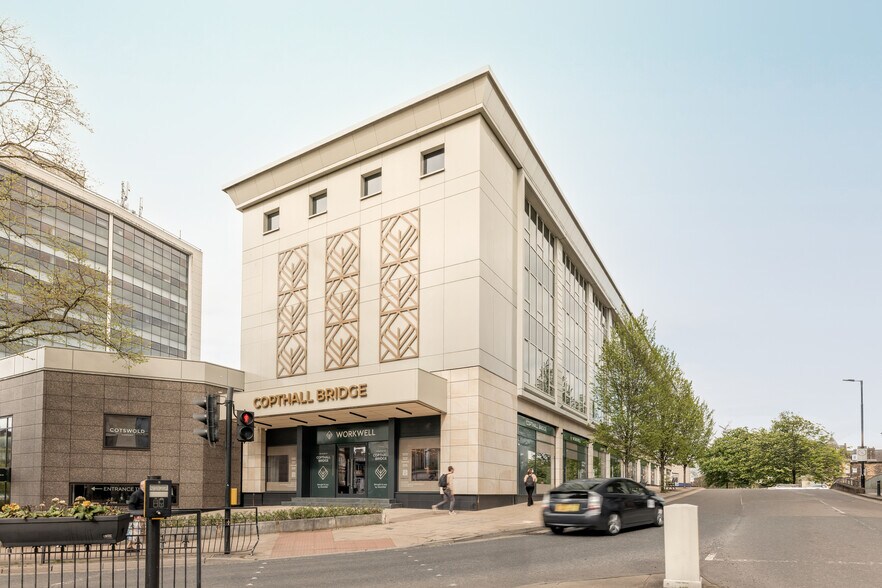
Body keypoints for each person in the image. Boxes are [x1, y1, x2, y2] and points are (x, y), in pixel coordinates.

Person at [125, 480, 146, 552]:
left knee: (139, 532)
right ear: (142, 486)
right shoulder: (136, 494)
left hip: (142, 516)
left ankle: (132, 546)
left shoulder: (144, 493)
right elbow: (131, 505)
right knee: (136, 532)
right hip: (138, 516)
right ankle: (129, 546)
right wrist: (136, 515)